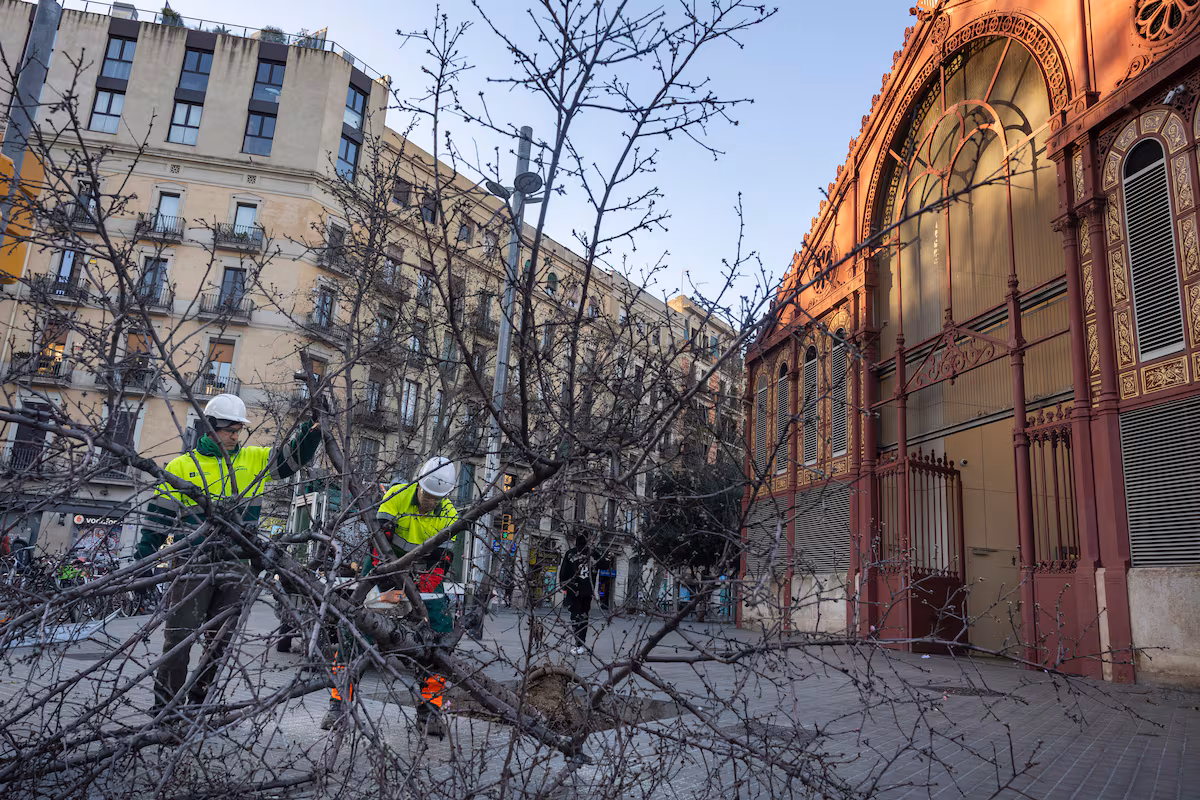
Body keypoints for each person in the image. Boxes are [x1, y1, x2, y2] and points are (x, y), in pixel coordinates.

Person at [135, 394, 322, 712]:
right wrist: (144, 559)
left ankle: (197, 703)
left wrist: (313, 429)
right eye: (228, 429)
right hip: (192, 565)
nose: (235, 435)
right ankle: (164, 708)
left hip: (237, 567)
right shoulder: (182, 467)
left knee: (220, 645)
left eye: (238, 429)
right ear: (209, 428)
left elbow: (292, 460)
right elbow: (157, 520)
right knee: (178, 642)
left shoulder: (254, 459)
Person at [321, 456, 459, 737]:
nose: (430, 502)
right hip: (383, 574)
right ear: (418, 484)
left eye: (436, 498)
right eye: (426, 495)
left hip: (423, 583)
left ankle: (429, 709)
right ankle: (339, 704)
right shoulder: (396, 497)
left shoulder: (450, 515)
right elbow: (378, 549)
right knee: (354, 632)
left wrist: (418, 601)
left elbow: (441, 564)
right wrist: (389, 592)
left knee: (440, 635)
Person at [559, 533, 594, 655]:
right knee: (584, 616)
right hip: (587, 591)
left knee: (575, 616)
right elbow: (604, 564)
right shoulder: (592, 553)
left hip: (573, 591)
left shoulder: (570, 553)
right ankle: (581, 642)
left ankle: (578, 643)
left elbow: (563, 572)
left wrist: (563, 586)